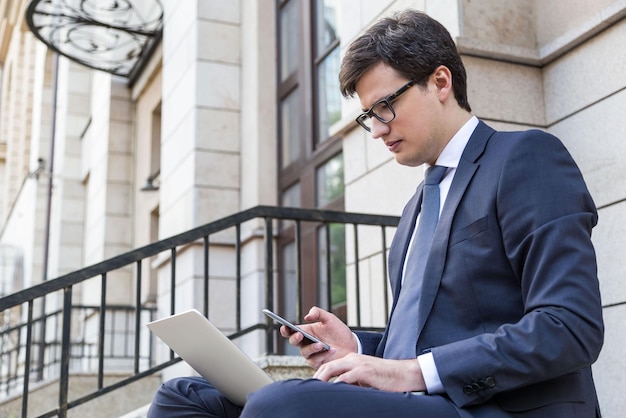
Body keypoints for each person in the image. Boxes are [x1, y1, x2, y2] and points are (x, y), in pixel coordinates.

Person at [148, 9, 603, 417]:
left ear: (440, 82)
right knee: (181, 395)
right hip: (414, 403)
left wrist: (406, 373)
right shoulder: (415, 210)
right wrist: (359, 349)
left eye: (385, 107)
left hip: (490, 407)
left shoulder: (524, 157)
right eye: (369, 116)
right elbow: (422, 339)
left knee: (279, 404)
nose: (377, 130)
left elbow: (570, 327)